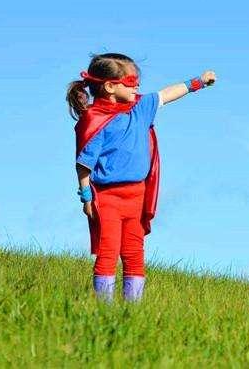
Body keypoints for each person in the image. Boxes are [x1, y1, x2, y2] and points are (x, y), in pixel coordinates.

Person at [65, 52, 216, 302]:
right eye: (131, 81)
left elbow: (168, 93)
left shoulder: (141, 109)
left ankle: (131, 309)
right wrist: (86, 196)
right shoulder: (97, 120)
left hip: (136, 195)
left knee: (134, 252)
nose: (137, 86)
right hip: (108, 198)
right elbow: (83, 164)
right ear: (110, 86)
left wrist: (197, 82)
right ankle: (104, 307)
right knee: (108, 252)